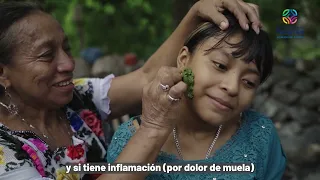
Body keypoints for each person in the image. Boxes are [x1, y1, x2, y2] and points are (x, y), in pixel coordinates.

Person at [0, 1, 261, 180]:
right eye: (47, 56)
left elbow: (146, 78)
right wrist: (154, 128)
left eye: (66, 49)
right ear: (3, 73)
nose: (69, 64)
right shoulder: (5, 154)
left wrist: (195, 14)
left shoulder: (76, 95)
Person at [107, 11, 286, 180]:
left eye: (249, 82)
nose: (232, 88)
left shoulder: (259, 135)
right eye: (220, 65)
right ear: (184, 60)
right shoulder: (131, 139)